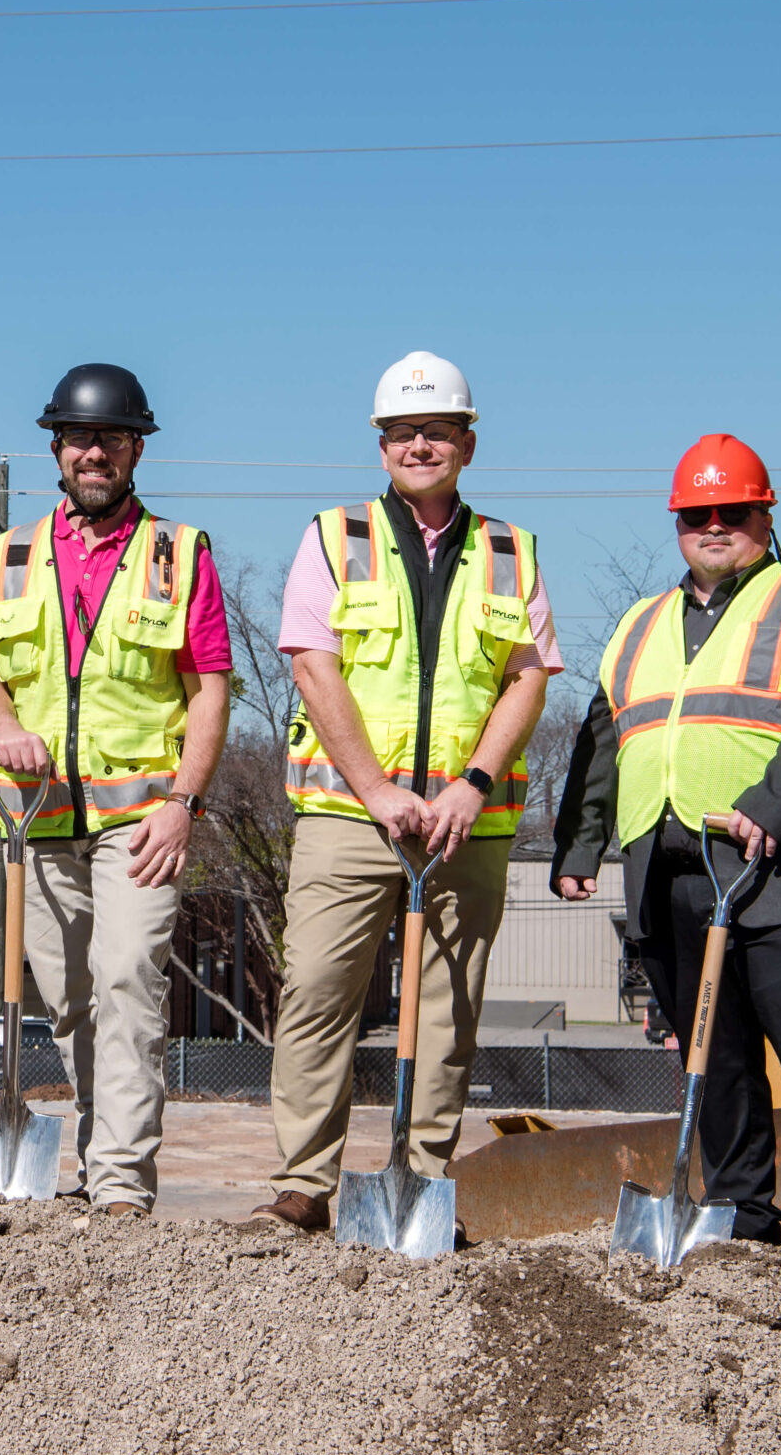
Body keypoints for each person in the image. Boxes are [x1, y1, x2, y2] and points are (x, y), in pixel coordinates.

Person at [240, 352, 560, 1235]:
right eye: (403, 432)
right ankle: (305, 1184)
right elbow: (313, 664)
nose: (421, 444)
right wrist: (378, 788)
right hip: (350, 816)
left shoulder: (509, 550)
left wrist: (473, 783)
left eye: (438, 429)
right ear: (380, 445)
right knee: (315, 990)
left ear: (467, 440)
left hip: (468, 825)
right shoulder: (334, 536)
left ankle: (422, 1180)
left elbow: (527, 679)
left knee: (446, 1008)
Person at [551, 435, 781, 1248]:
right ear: (677, 522)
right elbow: (604, 738)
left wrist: (772, 805)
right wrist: (579, 844)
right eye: (696, 513)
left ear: (763, 515)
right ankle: (742, 1212)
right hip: (670, 867)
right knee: (714, 1050)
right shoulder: (641, 623)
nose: (713, 526)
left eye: (731, 511)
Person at [0, 364, 231, 1217]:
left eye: (112, 438)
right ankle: (92, 1148)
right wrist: (4, 728)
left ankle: (120, 1184)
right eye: (81, 437)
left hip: (141, 825)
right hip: (36, 821)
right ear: (56, 447)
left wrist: (184, 802)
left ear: (137, 448)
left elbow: (210, 691)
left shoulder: (179, 553)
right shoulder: (9, 556)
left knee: (126, 981)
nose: (95, 451)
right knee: (70, 1001)